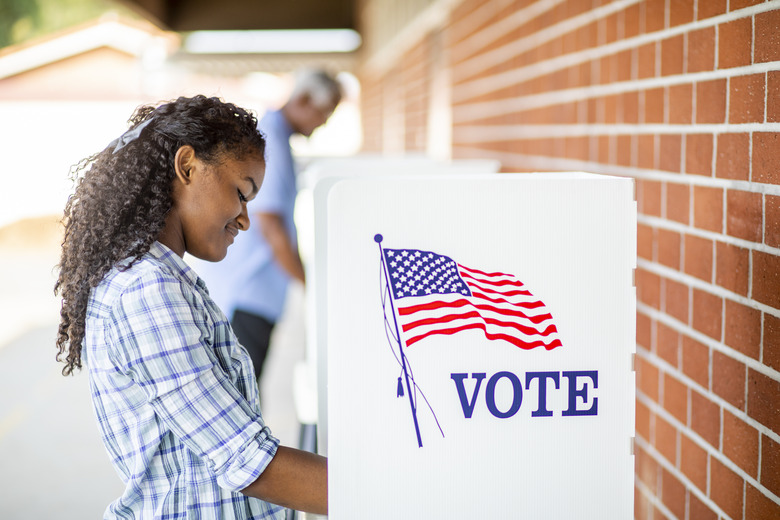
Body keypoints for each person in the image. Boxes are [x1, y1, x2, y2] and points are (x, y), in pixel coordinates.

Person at [54, 95, 327, 518]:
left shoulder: (163, 280)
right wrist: (390, 492)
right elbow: (248, 462)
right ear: (187, 167)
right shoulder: (146, 291)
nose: (244, 219)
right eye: (241, 192)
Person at [198, 69, 342, 391]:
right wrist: (311, 285)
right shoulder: (269, 141)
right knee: (239, 399)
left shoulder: (279, 137)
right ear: (304, 100)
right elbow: (271, 226)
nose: (325, 122)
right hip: (248, 293)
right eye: (325, 112)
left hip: (258, 293)